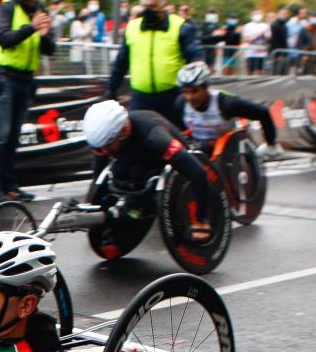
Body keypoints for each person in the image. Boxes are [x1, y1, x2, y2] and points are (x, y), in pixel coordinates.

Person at [82, 98, 217, 243]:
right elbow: (98, 177)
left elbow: (198, 173)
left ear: (124, 130)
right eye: (99, 147)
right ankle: (127, 211)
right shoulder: (104, 140)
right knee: (117, 173)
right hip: (133, 152)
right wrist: (93, 208)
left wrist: (201, 219)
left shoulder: (155, 138)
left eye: (108, 145)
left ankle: (137, 210)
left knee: (137, 175)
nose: (103, 151)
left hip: (159, 158)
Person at [0, 0, 55, 203]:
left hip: (25, 79)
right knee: (3, 134)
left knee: (14, 136)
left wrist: (44, 34)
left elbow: (50, 50)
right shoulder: (7, 7)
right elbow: (2, 39)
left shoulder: (41, 11)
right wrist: (31, 28)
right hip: (4, 77)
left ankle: (10, 185)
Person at [105, 0, 202, 129]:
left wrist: (193, 89)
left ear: (164, 5)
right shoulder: (132, 28)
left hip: (172, 97)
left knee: (177, 139)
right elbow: (121, 63)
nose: (149, 10)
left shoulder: (180, 26)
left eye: (153, 6)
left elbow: (195, 56)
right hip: (140, 98)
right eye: (145, 6)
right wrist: (111, 90)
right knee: (140, 141)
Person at [175, 61, 282, 158]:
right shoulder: (181, 104)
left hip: (227, 151)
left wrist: (270, 144)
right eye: (186, 92)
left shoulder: (226, 103)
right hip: (199, 149)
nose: (190, 97)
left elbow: (263, 112)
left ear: (206, 87)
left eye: (195, 91)